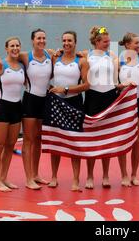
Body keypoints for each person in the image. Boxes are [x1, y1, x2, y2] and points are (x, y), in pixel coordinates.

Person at [0, 29, 55, 190]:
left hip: (45, 100)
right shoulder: (25, 56)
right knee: (28, 139)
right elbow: (9, 56)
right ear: (32, 41)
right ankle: (28, 179)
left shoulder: (51, 55)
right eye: (38, 38)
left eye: (43, 37)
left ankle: (36, 174)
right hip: (30, 101)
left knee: (39, 139)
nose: (41, 40)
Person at [83, 27, 128, 189]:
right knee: (92, 138)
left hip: (110, 97)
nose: (108, 44)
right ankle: (89, 176)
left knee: (107, 137)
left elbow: (116, 79)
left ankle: (106, 175)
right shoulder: (86, 55)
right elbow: (66, 56)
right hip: (93, 98)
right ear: (96, 42)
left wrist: (123, 86)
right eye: (105, 42)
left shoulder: (112, 56)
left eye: (109, 41)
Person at [48, 31, 90, 191]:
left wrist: (66, 89)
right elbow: (45, 75)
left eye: (70, 41)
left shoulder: (82, 61)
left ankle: (75, 180)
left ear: (75, 42)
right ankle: (53, 177)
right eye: (64, 40)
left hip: (74, 103)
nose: (66, 43)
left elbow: (87, 85)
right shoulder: (55, 58)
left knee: (74, 143)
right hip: (56, 103)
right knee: (56, 141)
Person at [0, 37, 25, 192]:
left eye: (17, 45)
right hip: (2, 107)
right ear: (6, 49)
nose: (15, 48)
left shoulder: (22, 65)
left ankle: (4, 178)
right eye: (11, 46)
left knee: (10, 145)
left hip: (17, 107)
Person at [118, 33, 139, 186]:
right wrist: (123, 85)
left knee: (136, 140)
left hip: (137, 101)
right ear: (128, 45)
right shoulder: (119, 61)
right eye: (136, 43)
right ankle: (124, 175)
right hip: (123, 103)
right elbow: (113, 84)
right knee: (123, 140)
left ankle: (134, 175)